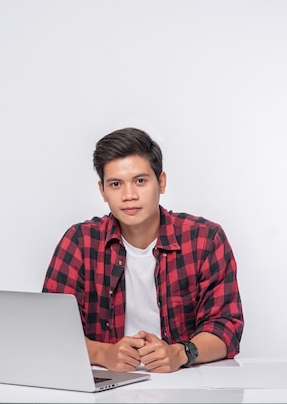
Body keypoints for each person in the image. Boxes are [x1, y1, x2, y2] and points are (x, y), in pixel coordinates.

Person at [42, 127, 244, 373]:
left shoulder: (205, 239)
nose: (129, 195)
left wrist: (180, 352)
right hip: (105, 383)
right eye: (116, 184)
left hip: (185, 383)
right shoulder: (80, 242)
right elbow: (51, 332)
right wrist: (103, 353)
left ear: (161, 182)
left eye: (140, 181)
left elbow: (227, 327)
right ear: (102, 191)